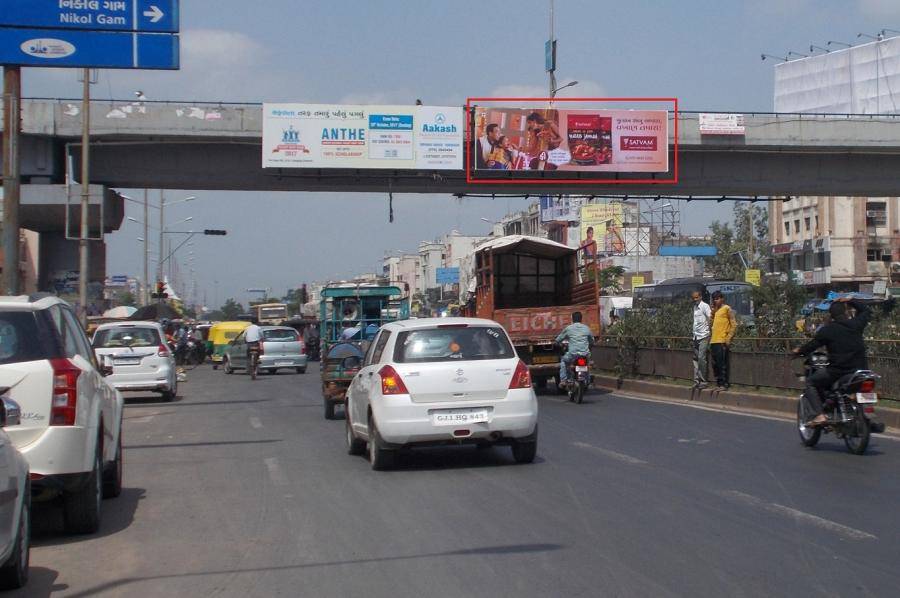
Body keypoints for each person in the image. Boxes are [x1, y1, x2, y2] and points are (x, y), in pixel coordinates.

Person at [793, 297, 873, 426]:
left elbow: (812, 346)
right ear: (846, 312)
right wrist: (851, 300)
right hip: (860, 371)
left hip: (839, 372)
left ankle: (820, 415)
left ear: (831, 315)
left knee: (811, 382)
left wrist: (798, 351)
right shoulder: (856, 324)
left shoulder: (828, 330)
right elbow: (866, 311)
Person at [555, 312, 594, 385]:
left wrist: (557, 343)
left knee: (563, 361)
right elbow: (592, 341)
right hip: (584, 354)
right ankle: (587, 379)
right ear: (581, 319)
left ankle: (563, 380)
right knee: (587, 364)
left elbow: (558, 339)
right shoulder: (586, 328)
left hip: (573, 355)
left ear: (572, 319)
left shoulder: (569, 328)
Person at [709, 290, 737, 390]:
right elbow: (711, 324)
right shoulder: (715, 311)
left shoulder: (727, 309)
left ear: (722, 299)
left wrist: (728, 338)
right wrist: (712, 313)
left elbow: (734, 324)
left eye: (717, 299)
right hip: (713, 340)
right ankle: (718, 383)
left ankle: (724, 384)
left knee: (722, 364)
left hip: (722, 341)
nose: (715, 301)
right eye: (714, 299)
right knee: (715, 364)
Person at [691, 291, 712, 389]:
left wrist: (710, 332)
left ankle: (704, 381)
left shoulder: (705, 306)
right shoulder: (695, 307)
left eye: (696, 297)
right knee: (695, 359)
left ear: (700, 297)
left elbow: (710, 318)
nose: (695, 299)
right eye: (693, 298)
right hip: (696, 336)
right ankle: (696, 380)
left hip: (704, 336)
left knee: (701, 358)